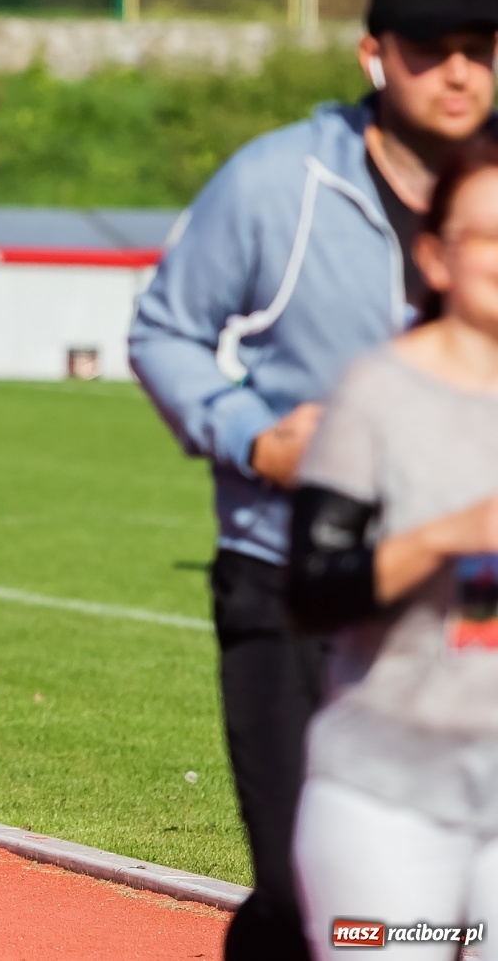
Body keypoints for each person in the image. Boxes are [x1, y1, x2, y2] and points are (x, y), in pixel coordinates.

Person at [128, 0, 497, 961]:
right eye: (430, 54)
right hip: (291, 566)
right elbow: (164, 328)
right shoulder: (277, 180)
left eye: (479, 52)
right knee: (309, 892)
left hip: (470, 585)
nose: (458, 74)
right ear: (374, 56)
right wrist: (249, 432)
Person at [288, 134, 498, 956]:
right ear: (437, 258)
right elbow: (313, 589)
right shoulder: (378, 392)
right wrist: (455, 533)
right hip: (389, 799)